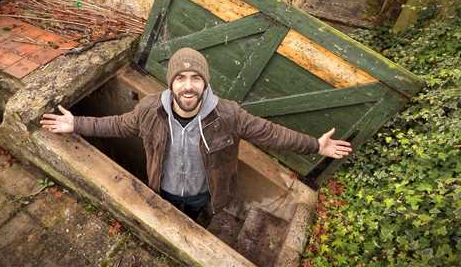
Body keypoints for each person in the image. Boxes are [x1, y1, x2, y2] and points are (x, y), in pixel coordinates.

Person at [40, 48, 352, 225]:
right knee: (170, 216)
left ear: (204, 82)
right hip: (163, 189)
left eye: (195, 78)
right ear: (171, 82)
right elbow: (118, 126)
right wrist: (76, 124)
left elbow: (270, 134)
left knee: (197, 215)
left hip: (206, 193)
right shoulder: (150, 110)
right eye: (180, 78)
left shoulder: (228, 115)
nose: (188, 86)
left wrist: (315, 145)